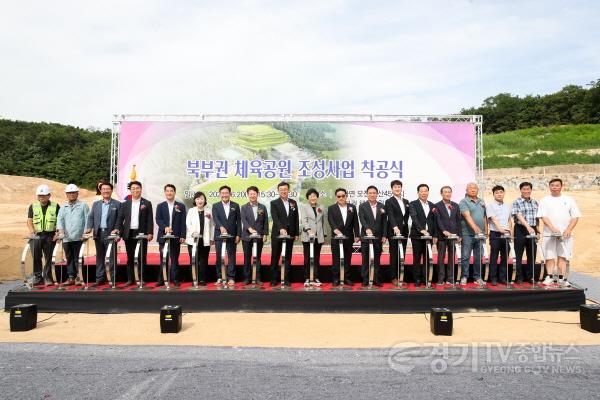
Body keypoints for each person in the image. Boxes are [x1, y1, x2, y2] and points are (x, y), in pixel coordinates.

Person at [537, 178, 581, 287]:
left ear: (561, 186)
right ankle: (550, 277)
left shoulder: (569, 199)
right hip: (549, 234)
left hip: (565, 235)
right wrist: (552, 228)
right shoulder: (544, 200)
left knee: (563, 256)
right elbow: (543, 216)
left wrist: (568, 229)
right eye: (552, 185)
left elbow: (575, 216)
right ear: (549, 187)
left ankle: (562, 278)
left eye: (557, 185)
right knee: (549, 256)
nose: (555, 187)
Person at [113, 180, 154, 286]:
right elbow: (120, 218)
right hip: (129, 233)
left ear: (141, 189)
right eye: (133, 188)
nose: (136, 190)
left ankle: (141, 278)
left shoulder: (147, 203)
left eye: (137, 188)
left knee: (141, 257)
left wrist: (150, 232)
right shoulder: (125, 204)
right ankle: (130, 279)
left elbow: (149, 219)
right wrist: (117, 228)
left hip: (142, 233)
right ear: (130, 190)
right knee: (130, 257)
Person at [85, 181, 121, 287]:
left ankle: (112, 279)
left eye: (108, 189)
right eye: (103, 189)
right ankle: (99, 278)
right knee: (99, 257)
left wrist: (117, 231)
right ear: (100, 191)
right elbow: (91, 217)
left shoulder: (117, 204)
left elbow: (120, 219)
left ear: (111, 190)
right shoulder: (96, 204)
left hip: (111, 235)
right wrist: (89, 227)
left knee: (111, 258)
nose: (105, 191)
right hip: (98, 233)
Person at [56, 184, 90, 286]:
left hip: (78, 237)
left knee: (78, 258)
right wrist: (61, 231)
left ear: (77, 193)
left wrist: (85, 233)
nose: (71, 194)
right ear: (66, 194)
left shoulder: (83, 205)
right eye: (69, 193)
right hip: (66, 237)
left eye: (73, 193)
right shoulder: (63, 207)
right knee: (69, 258)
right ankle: (71, 277)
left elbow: (88, 219)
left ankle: (79, 277)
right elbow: (60, 220)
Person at [26, 184, 60, 286]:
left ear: (49, 195)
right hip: (37, 235)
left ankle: (48, 277)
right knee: (36, 256)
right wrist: (32, 230)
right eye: (39, 195)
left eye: (43, 195)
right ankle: (37, 277)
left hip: (50, 235)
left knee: (49, 257)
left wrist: (58, 233)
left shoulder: (55, 206)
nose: (41, 197)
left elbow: (60, 221)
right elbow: (29, 220)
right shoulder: (33, 206)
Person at [155, 184, 187, 287]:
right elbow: (158, 219)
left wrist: (183, 235)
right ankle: (161, 279)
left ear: (174, 192)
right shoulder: (160, 206)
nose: (169, 193)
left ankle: (175, 279)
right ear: (165, 192)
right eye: (167, 191)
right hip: (163, 237)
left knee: (174, 259)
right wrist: (165, 227)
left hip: (176, 237)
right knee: (163, 259)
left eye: (171, 191)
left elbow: (183, 222)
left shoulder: (180, 206)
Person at [270, 181, 299, 287]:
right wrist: (281, 228)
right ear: (278, 191)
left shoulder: (293, 202)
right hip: (277, 234)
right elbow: (275, 217)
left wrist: (296, 233)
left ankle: (286, 278)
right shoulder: (274, 203)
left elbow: (296, 218)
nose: (283, 191)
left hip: (290, 234)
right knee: (275, 257)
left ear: (288, 190)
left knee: (287, 257)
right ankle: (274, 279)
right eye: (281, 190)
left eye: (285, 189)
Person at [328, 188, 359, 287]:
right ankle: (336, 278)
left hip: (349, 237)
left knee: (347, 258)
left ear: (346, 196)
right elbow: (331, 220)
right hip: (336, 237)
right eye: (339, 196)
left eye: (343, 196)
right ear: (336, 197)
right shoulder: (331, 208)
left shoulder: (352, 207)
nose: (341, 198)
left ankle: (347, 278)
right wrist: (335, 230)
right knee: (336, 258)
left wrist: (357, 234)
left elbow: (355, 222)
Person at [459, 182, 488, 286]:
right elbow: (467, 216)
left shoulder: (482, 201)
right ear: (466, 190)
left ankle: (478, 277)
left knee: (479, 257)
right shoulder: (463, 201)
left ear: (478, 190)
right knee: (465, 256)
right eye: (470, 188)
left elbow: (484, 217)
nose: (473, 189)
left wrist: (486, 230)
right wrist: (475, 228)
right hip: (467, 234)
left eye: (475, 188)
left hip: (480, 235)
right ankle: (464, 277)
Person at [358, 185, 387, 287]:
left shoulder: (382, 206)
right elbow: (362, 219)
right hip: (366, 237)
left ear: (377, 194)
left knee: (377, 259)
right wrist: (367, 228)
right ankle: (365, 279)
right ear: (367, 194)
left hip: (378, 237)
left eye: (374, 193)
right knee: (365, 259)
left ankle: (376, 279)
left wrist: (384, 235)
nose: (372, 195)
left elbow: (384, 221)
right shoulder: (362, 206)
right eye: (370, 193)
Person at [212, 185, 241, 285]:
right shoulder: (215, 205)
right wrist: (220, 226)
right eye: (222, 193)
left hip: (232, 235)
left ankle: (231, 277)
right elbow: (215, 218)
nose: (224, 195)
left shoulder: (235, 205)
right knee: (219, 256)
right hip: (219, 234)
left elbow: (238, 221)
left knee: (231, 257)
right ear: (220, 194)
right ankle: (220, 277)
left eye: (226, 193)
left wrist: (238, 235)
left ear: (230, 194)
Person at [408, 184, 437, 287]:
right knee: (417, 258)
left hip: (429, 236)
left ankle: (426, 279)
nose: (424, 193)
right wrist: (421, 230)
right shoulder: (413, 204)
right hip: (417, 236)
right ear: (418, 192)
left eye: (425, 191)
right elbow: (414, 218)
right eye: (421, 191)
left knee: (427, 258)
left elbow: (434, 221)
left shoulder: (432, 205)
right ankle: (417, 279)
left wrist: (434, 235)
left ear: (428, 192)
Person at [511, 181, 539, 284]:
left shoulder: (535, 202)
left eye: (528, 189)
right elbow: (518, 215)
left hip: (533, 229)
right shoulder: (516, 202)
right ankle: (519, 277)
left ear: (531, 190)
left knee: (532, 254)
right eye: (524, 189)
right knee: (518, 254)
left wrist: (537, 230)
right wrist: (528, 226)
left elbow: (537, 218)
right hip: (520, 229)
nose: (526, 191)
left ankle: (530, 276)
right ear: (521, 190)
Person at [433, 185, 461, 285]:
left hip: (453, 235)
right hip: (441, 236)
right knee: (441, 257)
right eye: (445, 192)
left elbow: (458, 221)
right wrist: (443, 230)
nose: (448, 194)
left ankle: (450, 278)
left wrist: (460, 235)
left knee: (451, 257)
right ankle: (441, 278)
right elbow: (438, 220)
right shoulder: (436, 206)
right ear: (441, 194)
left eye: (449, 192)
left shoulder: (456, 205)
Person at [240, 186, 268, 285]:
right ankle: (247, 278)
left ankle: (258, 278)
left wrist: (265, 233)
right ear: (248, 195)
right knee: (247, 258)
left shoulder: (262, 207)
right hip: (247, 236)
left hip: (259, 236)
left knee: (258, 258)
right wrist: (249, 229)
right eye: (250, 194)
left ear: (257, 194)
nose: (252, 195)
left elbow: (265, 221)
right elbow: (243, 220)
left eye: (254, 194)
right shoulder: (244, 207)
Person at [486, 185, 513, 285]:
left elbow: (509, 220)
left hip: (506, 234)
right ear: (493, 194)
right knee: (494, 256)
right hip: (495, 234)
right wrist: (501, 230)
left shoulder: (507, 206)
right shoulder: (490, 206)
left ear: (504, 193)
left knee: (505, 257)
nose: (499, 194)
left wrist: (511, 233)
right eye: (497, 192)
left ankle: (503, 278)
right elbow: (493, 219)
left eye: (501, 192)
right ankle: (493, 278)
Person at [384, 180, 410, 285]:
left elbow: (406, 216)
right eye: (395, 187)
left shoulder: (406, 201)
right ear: (392, 189)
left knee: (402, 254)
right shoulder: (389, 201)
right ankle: (393, 277)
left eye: (399, 186)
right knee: (394, 255)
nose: (397, 188)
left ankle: (401, 276)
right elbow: (390, 215)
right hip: (394, 231)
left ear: (401, 188)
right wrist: (395, 227)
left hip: (404, 231)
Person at [185, 191, 214, 286]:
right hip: (193, 240)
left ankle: (202, 279)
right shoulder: (191, 211)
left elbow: (212, 225)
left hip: (205, 240)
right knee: (194, 260)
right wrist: (193, 232)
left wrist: (211, 238)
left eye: (202, 199)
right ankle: (194, 279)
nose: (200, 201)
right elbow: (188, 224)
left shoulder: (209, 211)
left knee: (204, 261)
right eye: (198, 199)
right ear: (195, 200)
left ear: (204, 200)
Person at [300, 188, 326, 286]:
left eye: (314, 196)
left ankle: (316, 277)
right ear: (308, 197)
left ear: (317, 197)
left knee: (316, 258)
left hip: (318, 236)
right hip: (308, 236)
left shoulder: (321, 207)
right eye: (310, 196)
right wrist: (308, 230)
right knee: (307, 258)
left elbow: (323, 221)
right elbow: (304, 220)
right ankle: (307, 278)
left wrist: (323, 235)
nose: (312, 198)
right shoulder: (304, 207)